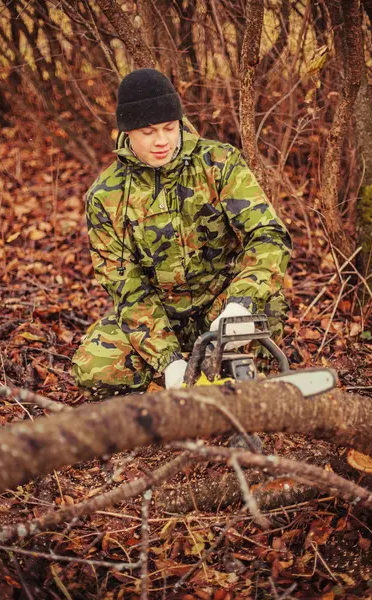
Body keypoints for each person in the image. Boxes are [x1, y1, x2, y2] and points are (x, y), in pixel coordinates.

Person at [71, 68, 292, 398]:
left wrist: (240, 302)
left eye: (169, 128)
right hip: (161, 317)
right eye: (148, 132)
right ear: (128, 130)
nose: (162, 141)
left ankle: (229, 366)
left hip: (223, 306)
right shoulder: (105, 196)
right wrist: (168, 361)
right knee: (95, 367)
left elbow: (269, 236)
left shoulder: (219, 163)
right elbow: (127, 289)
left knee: (265, 317)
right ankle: (179, 379)